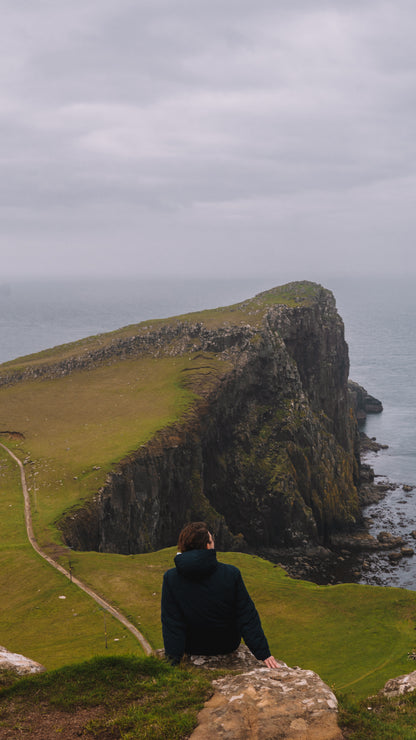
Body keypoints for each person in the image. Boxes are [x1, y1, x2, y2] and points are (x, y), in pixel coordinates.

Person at [161, 521, 280, 668]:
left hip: (192, 647)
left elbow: (172, 623)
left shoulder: (171, 578)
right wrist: (263, 653)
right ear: (207, 546)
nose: (213, 543)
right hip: (226, 645)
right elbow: (247, 616)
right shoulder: (231, 574)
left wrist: (172, 663)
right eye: (212, 540)